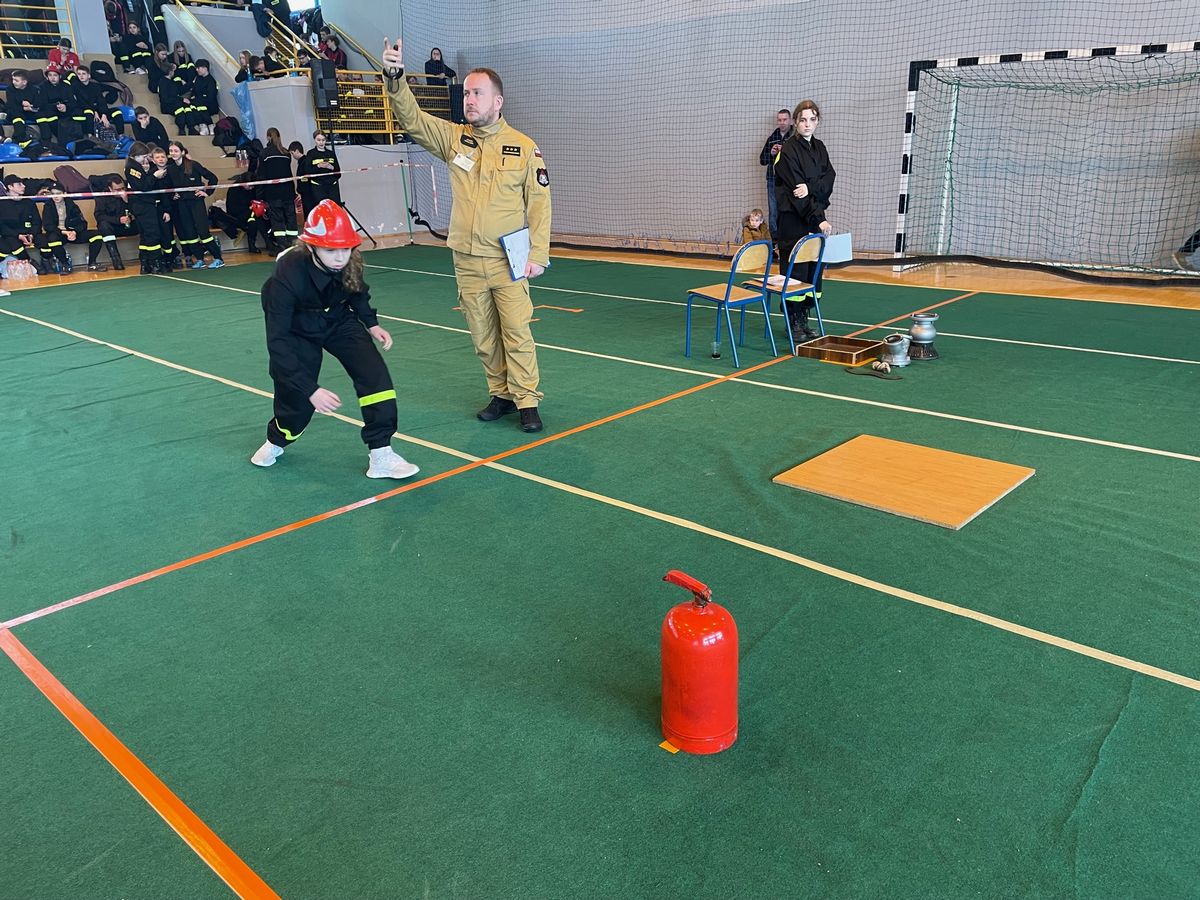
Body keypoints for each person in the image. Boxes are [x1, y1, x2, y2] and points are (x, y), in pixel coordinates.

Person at [383, 37, 551, 433]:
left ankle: (527, 400)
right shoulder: (454, 138)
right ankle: (501, 394)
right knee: (483, 335)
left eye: (477, 93)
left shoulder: (524, 148)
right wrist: (394, 78)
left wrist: (538, 254)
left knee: (516, 332)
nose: (469, 100)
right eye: (466, 94)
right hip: (467, 258)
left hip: (507, 260)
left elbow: (540, 204)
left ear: (498, 101)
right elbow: (413, 119)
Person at [251, 199, 420, 480]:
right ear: (311, 247)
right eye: (330, 250)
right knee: (296, 400)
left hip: (338, 320)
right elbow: (278, 342)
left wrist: (371, 323)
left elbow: (357, 291)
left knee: (375, 376)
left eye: (345, 248)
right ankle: (277, 440)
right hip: (297, 328)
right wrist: (310, 389)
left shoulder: (350, 261)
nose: (340, 257)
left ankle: (381, 453)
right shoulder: (287, 275)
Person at [773, 99, 834, 341]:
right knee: (796, 272)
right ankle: (793, 321)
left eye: (812, 119)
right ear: (795, 122)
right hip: (794, 221)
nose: (807, 124)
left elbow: (829, 180)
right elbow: (796, 194)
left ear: (817, 121)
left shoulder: (820, 147)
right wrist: (818, 219)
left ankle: (804, 318)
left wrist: (811, 187)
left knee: (813, 273)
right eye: (803, 120)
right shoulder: (788, 151)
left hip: (816, 217)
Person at [167, 141, 224, 268]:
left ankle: (218, 258)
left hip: (196, 203)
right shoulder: (170, 169)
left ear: (182, 152)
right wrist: (173, 195)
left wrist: (206, 192)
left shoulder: (193, 165)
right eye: (171, 151)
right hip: (182, 204)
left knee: (203, 232)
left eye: (176, 151)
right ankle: (199, 259)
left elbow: (213, 178)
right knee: (190, 232)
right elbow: (168, 187)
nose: (173, 153)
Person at [41, 181, 107, 272]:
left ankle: (92, 263)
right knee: (52, 240)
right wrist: (64, 232)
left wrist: (74, 232)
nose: (55, 196)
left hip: (73, 233)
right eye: (53, 194)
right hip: (59, 234)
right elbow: (48, 226)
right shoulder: (48, 206)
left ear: (64, 194)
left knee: (97, 235)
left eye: (58, 193)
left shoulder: (71, 204)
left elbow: (83, 223)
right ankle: (65, 265)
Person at [124, 141, 169, 273]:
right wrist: (154, 176)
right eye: (143, 157)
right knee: (152, 234)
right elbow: (143, 187)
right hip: (143, 205)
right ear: (136, 155)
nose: (145, 160)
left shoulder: (135, 166)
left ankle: (145, 264)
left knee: (145, 236)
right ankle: (156, 263)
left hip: (141, 205)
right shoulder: (132, 168)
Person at [257, 127, 298, 248]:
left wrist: (259, 196)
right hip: (288, 193)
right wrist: (293, 192)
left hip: (273, 193)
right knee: (291, 219)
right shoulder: (286, 153)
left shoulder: (264, 153)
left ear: (268, 137)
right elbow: (289, 174)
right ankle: (294, 244)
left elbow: (261, 176)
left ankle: (283, 246)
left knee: (277, 221)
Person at [0, 174, 49, 274]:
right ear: (10, 187)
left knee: (45, 242)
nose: (24, 186)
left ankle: (46, 260)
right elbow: (2, 227)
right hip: (13, 235)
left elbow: (37, 221)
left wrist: (31, 234)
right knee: (15, 247)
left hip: (30, 233)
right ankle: (30, 262)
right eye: (19, 184)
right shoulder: (2, 204)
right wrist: (18, 236)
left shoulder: (29, 202)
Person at [758, 108, 791, 239]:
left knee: (788, 210)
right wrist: (771, 153)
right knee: (773, 211)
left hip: (789, 181)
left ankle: (787, 239)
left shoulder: (795, 138)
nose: (782, 122)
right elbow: (762, 160)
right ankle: (775, 240)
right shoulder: (772, 138)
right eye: (779, 120)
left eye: (785, 119)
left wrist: (785, 150)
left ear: (790, 120)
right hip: (772, 180)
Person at [92, 175, 135, 270]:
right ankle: (116, 260)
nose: (121, 191)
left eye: (123, 188)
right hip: (113, 227)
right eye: (117, 190)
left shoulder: (130, 194)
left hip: (130, 225)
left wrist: (127, 201)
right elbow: (99, 216)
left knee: (145, 221)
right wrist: (118, 220)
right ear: (110, 189)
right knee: (103, 225)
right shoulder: (102, 197)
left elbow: (139, 211)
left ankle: (149, 257)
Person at [299, 129, 341, 215]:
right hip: (318, 187)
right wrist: (318, 166)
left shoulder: (331, 153)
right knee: (323, 211)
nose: (321, 142)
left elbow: (338, 173)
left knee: (335, 211)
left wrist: (331, 167)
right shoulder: (311, 153)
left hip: (332, 186)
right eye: (318, 140)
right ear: (314, 140)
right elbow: (307, 171)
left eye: (323, 140)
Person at [33, 66, 75, 143]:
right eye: (50, 75)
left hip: (64, 112)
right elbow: (41, 104)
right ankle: (47, 141)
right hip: (49, 112)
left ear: (60, 76)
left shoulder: (66, 86)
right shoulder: (42, 87)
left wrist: (66, 107)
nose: (52, 78)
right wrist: (56, 106)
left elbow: (72, 102)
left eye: (55, 75)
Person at [190, 59, 218, 135]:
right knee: (192, 106)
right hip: (198, 101)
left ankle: (209, 125)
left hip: (210, 105)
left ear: (205, 68)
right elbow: (194, 90)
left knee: (199, 105)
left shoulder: (211, 81)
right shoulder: (198, 78)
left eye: (198, 68)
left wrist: (197, 99)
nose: (197, 70)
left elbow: (210, 97)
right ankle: (202, 125)